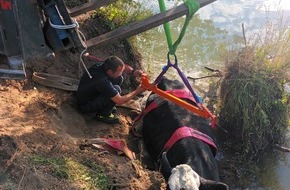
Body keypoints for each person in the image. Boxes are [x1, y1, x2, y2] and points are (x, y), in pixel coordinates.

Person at [76, 55, 145, 124]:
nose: (121, 73)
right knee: (117, 89)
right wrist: (136, 91)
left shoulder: (103, 65)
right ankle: (103, 114)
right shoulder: (101, 81)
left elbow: (123, 67)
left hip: (90, 92)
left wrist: (133, 72)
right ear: (110, 72)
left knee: (119, 78)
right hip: (85, 105)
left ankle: (107, 104)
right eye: (120, 72)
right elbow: (120, 101)